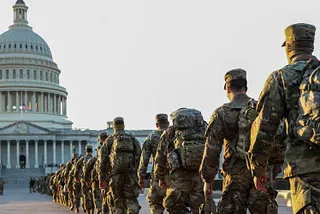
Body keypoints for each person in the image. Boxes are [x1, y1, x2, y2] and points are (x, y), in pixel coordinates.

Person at [249, 23, 320, 214]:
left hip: (304, 170)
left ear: (289, 46)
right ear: (311, 45)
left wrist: (259, 168)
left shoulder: (281, 77)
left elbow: (264, 128)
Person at [200, 69, 277, 214]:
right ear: (246, 88)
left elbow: (212, 149)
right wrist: (271, 172)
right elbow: (277, 140)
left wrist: (208, 180)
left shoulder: (222, 113)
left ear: (228, 88)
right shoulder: (260, 109)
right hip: (261, 173)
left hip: (235, 175)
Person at [154, 108, 205, 213]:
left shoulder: (171, 131)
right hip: (199, 175)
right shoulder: (204, 128)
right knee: (200, 207)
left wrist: (160, 177)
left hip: (179, 176)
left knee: (174, 207)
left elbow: (160, 156)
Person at [98, 117, 141, 214]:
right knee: (131, 199)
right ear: (124, 126)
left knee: (118, 202)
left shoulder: (109, 140)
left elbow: (102, 161)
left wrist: (102, 178)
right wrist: (135, 171)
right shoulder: (132, 139)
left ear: (114, 127)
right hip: (130, 175)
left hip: (115, 176)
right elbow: (139, 156)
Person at [138, 114, 169, 214]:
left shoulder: (151, 138)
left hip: (158, 176)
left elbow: (144, 160)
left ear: (156, 124)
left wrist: (141, 177)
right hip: (175, 177)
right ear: (168, 124)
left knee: (156, 205)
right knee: (174, 206)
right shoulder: (175, 135)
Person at [75, 145, 94, 214]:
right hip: (93, 180)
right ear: (91, 151)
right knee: (93, 195)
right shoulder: (95, 158)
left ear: (85, 151)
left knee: (86, 196)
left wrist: (77, 178)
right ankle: (93, 210)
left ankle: (88, 210)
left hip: (85, 180)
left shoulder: (82, 159)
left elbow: (76, 169)